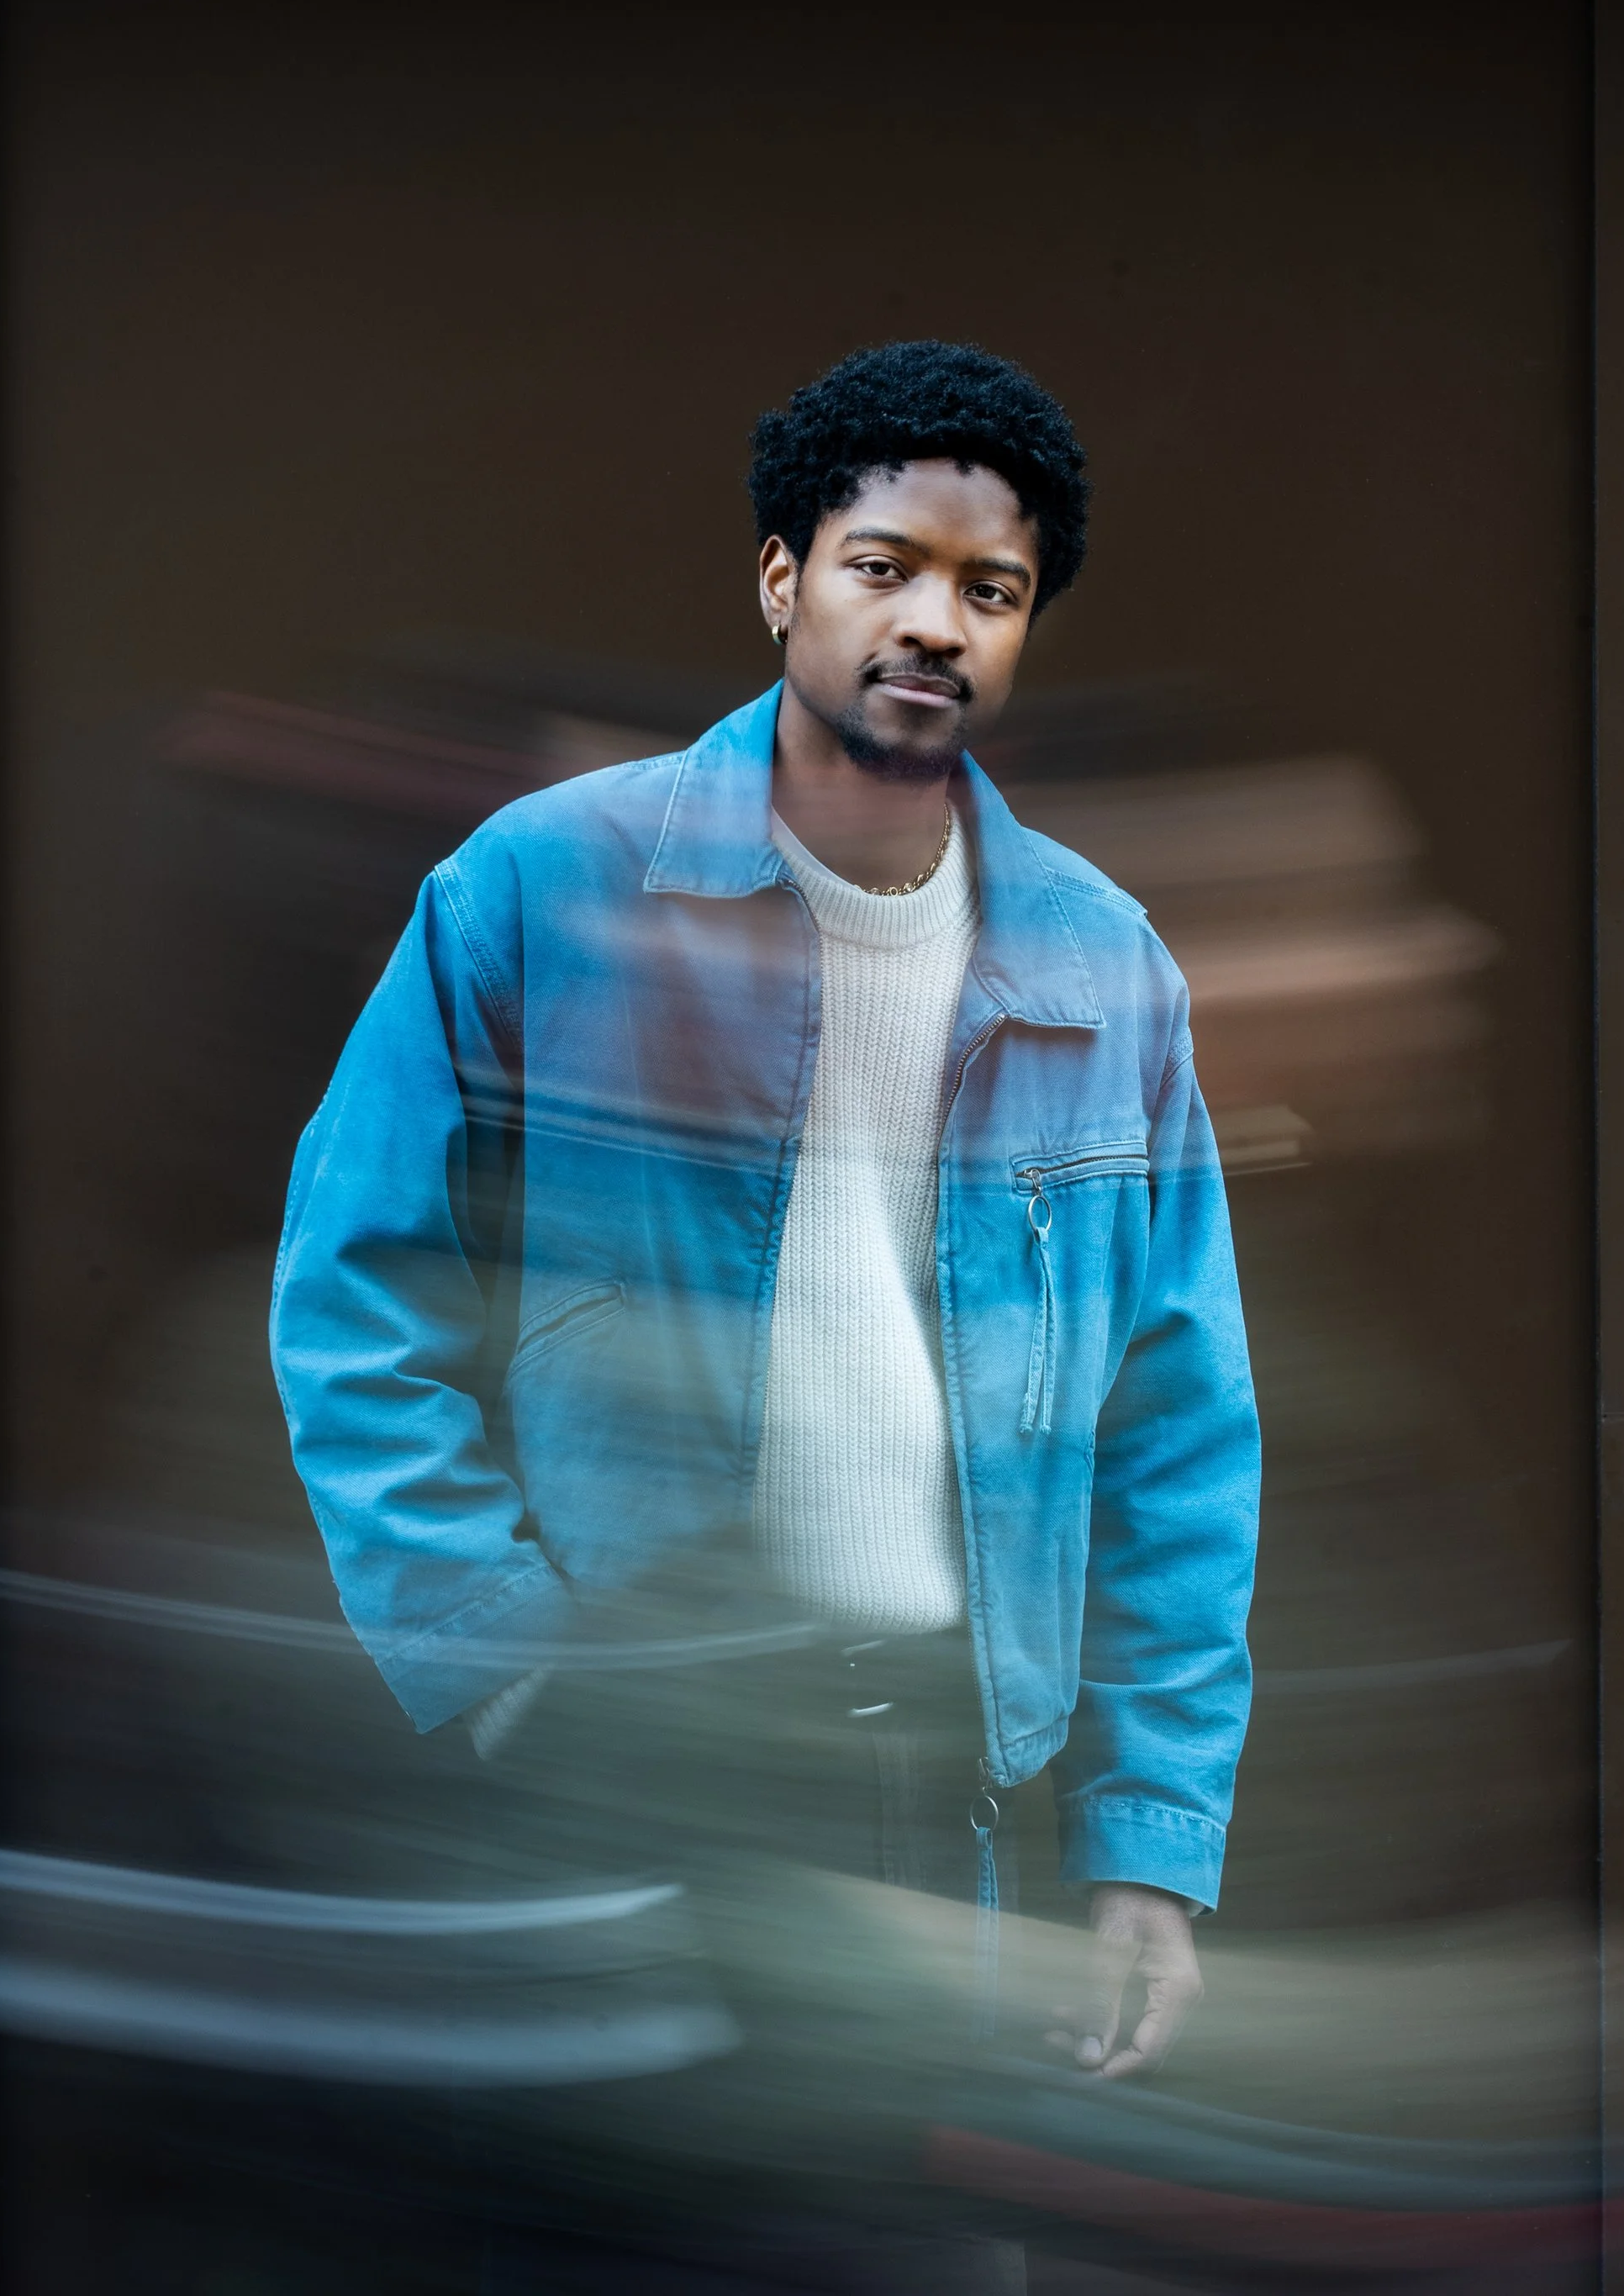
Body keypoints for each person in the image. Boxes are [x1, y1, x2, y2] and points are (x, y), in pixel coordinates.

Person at [271, 341, 1258, 2139]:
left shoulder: (1104, 966)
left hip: (941, 1809)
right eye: (885, 564)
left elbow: (1174, 1430)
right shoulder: (546, 883)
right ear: (781, 577)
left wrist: (1144, 1846)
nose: (936, 623)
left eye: (992, 588)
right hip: (622, 1780)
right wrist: (505, 1673)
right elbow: (357, 1297)